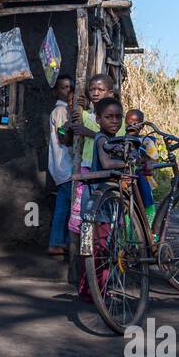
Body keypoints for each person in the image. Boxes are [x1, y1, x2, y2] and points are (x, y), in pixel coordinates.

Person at [70, 97, 128, 301]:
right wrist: (126, 163)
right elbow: (105, 162)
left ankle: (93, 290)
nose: (114, 121)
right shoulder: (102, 139)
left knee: (101, 247)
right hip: (99, 201)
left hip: (105, 200)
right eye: (108, 117)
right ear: (98, 119)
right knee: (101, 247)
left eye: (118, 117)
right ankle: (93, 292)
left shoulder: (110, 139)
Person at [61, 73, 116, 236]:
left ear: (110, 93)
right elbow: (65, 138)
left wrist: (89, 133)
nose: (95, 93)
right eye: (92, 89)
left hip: (106, 170)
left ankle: (105, 245)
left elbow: (114, 140)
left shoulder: (114, 115)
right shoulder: (84, 115)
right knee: (83, 211)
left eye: (100, 89)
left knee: (105, 211)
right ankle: (86, 248)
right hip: (86, 168)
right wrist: (70, 121)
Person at [46, 74, 75, 256]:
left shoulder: (62, 110)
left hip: (62, 166)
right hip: (66, 166)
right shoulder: (62, 112)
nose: (68, 91)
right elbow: (64, 138)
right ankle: (58, 242)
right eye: (64, 87)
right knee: (66, 208)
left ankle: (58, 242)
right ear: (56, 91)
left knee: (63, 207)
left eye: (70, 87)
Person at [125, 107, 158, 227]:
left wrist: (144, 161)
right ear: (125, 123)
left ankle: (148, 229)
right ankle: (128, 234)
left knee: (147, 204)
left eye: (136, 123)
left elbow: (152, 160)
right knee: (128, 208)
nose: (132, 125)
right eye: (129, 122)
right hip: (126, 179)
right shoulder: (122, 139)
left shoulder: (146, 141)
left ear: (142, 126)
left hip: (142, 178)